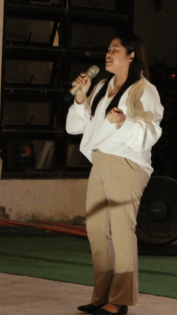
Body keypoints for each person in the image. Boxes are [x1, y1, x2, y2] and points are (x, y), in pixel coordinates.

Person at [66, 33, 164, 315]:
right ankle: (102, 295)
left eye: (115, 49)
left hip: (127, 163)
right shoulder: (101, 87)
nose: (108, 54)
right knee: (96, 230)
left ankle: (119, 300)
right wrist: (80, 98)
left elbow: (152, 131)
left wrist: (123, 122)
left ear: (132, 56)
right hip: (100, 161)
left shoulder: (144, 89)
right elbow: (75, 127)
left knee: (121, 232)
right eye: (108, 49)